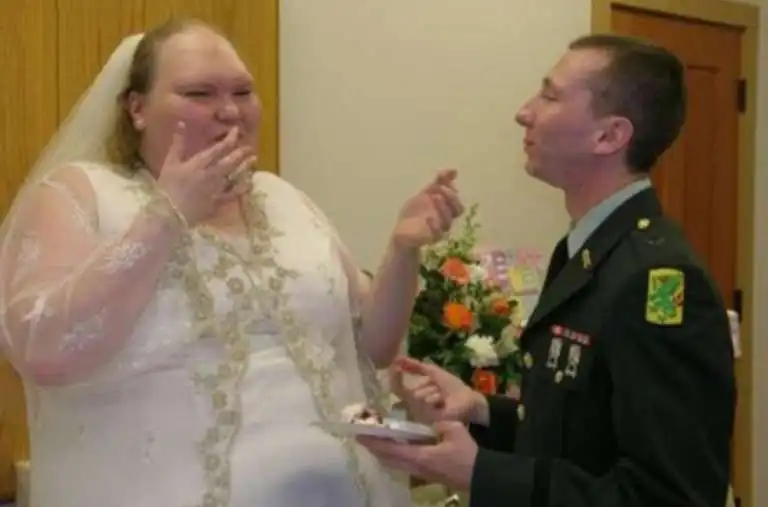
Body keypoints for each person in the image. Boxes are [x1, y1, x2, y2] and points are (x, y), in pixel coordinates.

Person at [0, 19, 464, 507]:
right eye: (199, 93)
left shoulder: (284, 199)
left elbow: (372, 344)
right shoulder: (82, 194)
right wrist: (167, 215)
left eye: (243, 92)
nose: (229, 111)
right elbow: (41, 349)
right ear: (137, 108)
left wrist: (403, 250)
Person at [359, 34, 736, 507]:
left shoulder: (658, 280)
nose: (524, 112)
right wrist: (480, 410)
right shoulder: (588, 249)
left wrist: (481, 472)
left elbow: (671, 496)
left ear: (609, 136)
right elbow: (581, 438)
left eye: (550, 96)